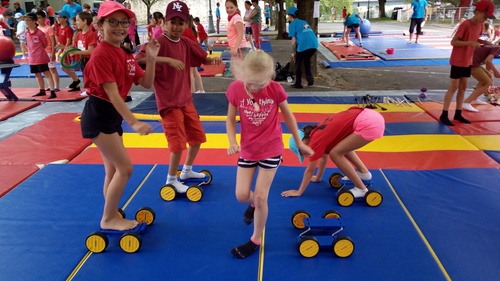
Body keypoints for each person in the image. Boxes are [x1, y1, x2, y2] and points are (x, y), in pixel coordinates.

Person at [226, 50, 314, 259]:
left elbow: (289, 116)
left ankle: (255, 239)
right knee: (241, 195)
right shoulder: (236, 89)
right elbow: (230, 119)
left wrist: (300, 142)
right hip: (248, 149)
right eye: (252, 83)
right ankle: (253, 204)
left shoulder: (274, 89)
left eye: (261, 83)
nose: (256, 87)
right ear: (243, 76)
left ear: (270, 76)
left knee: (261, 195)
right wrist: (232, 141)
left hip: (271, 149)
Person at [80, 1, 159, 231]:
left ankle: (111, 211)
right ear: (99, 24)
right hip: (100, 113)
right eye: (112, 22)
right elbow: (113, 95)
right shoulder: (101, 54)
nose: (119, 27)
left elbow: (146, 83)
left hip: (111, 116)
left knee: (113, 170)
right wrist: (133, 121)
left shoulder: (124, 54)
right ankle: (108, 218)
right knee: (125, 169)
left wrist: (152, 57)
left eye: (124, 22)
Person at [135, 1, 222, 194]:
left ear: (186, 25)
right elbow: (139, 59)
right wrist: (166, 59)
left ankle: (187, 171)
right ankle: (171, 180)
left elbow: (202, 58)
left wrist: (213, 59)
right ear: (164, 23)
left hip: (185, 101)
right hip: (168, 103)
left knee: (197, 138)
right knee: (177, 144)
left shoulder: (185, 43)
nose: (176, 26)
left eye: (180, 23)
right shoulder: (158, 43)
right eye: (172, 21)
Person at [282, 107, 384, 198]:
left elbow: (310, 170)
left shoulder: (315, 140)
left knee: (335, 153)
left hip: (369, 123)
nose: (304, 155)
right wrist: (318, 178)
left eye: (301, 151)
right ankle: (363, 173)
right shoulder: (317, 132)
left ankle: (361, 189)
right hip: (370, 116)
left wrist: (299, 192)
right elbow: (323, 157)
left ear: (303, 141)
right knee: (340, 148)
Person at [440, 0, 495, 126]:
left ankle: (458, 113)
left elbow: (474, 38)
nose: (485, 19)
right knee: (453, 87)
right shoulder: (466, 24)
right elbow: (454, 42)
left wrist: (483, 42)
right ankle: (444, 113)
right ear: (477, 12)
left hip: (468, 60)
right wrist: (470, 43)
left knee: (463, 87)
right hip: (458, 59)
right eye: (485, 16)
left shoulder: (480, 25)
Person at [24, 13, 56, 99]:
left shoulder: (39, 33)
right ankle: (42, 90)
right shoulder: (26, 32)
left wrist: (38, 51)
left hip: (40, 57)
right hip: (32, 58)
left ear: (35, 21)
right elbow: (28, 44)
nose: (27, 22)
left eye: (29, 20)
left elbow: (45, 44)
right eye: (26, 20)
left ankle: (52, 91)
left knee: (47, 73)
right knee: (37, 75)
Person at [287, 7, 318, 89]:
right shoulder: (304, 22)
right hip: (314, 44)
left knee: (298, 62)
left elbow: (293, 39)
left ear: (290, 15)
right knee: (307, 61)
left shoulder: (292, 24)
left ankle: (298, 83)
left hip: (304, 45)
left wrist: (294, 52)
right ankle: (310, 79)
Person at [462, 45, 500, 112]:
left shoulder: (495, 47)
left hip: (472, 62)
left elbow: (488, 60)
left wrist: (488, 72)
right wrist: (495, 72)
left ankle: (474, 99)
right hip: (472, 64)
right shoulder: (497, 48)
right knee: (488, 83)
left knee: (488, 77)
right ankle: (466, 102)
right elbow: (487, 61)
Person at [66, 11, 98, 85]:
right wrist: (67, 48)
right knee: (85, 76)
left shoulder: (90, 34)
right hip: (83, 59)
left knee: (91, 78)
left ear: (84, 21)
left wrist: (76, 52)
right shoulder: (79, 34)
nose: (76, 23)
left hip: (90, 60)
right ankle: (88, 90)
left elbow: (90, 51)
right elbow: (76, 47)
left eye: (78, 20)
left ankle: (92, 91)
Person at [55, 10, 81, 91]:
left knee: (63, 66)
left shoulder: (67, 29)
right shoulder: (59, 28)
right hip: (65, 49)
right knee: (66, 67)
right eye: (57, 17)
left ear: (65, 19)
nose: (58, 19)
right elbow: (59, 39)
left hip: (67, 50)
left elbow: (68, 42)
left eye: (60, 17)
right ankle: (75, 83)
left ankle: (76, 80)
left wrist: (65, 51)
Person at [36, 11, 60, 92]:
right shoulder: (37, 29)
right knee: (46, 70)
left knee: (52, 69)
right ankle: (51, 85)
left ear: (44, 18)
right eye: (37, 18)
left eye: (39, 18)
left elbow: (53, 41)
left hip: (49, 51)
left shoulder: (48, 28)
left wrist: (53, 53)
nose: (38, 20)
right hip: (41, 52)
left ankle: (56, 85)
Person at [183, 15, 205, 94]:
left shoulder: (186, 29)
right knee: (195, 71)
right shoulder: (191, 29)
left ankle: (192, 91)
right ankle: (201, 89)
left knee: (190, 73)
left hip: (190, 53)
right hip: (194, 52)